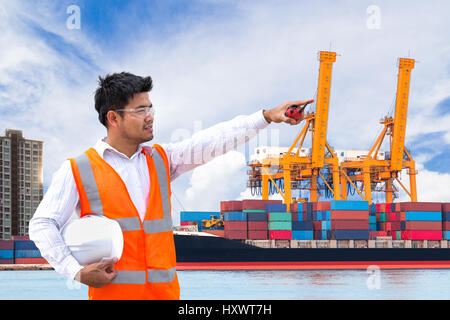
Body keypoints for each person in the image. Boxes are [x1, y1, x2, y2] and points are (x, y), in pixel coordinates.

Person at [29, 72, 313, 300]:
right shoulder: (78, 169)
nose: (150, 116)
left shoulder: (162, 160)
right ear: (113, 118)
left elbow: (210, 141)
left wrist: (264, 117)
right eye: (140, 110)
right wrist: (75, 271)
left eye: (150, 108)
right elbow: (42, 224)